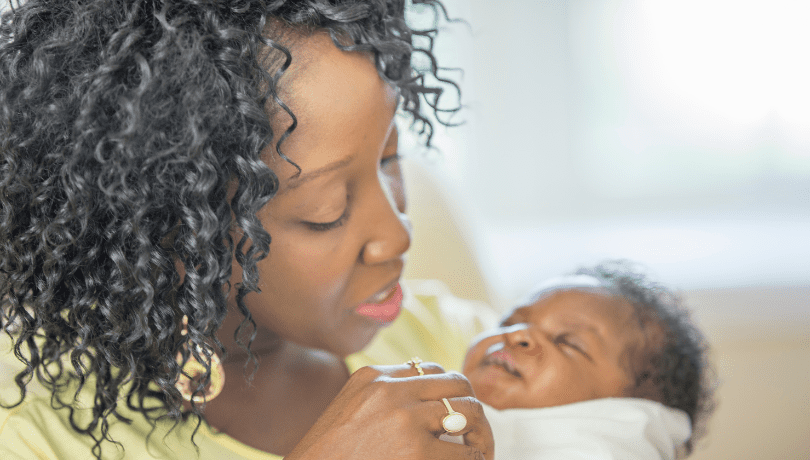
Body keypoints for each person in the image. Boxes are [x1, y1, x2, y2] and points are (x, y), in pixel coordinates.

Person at [0, 1, 496, 459]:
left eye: (389, 157)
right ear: (181, 230)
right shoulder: (31, 437)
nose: (398, 235)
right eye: (327, 211)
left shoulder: (473, 353)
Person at [461, 261, 715, 459]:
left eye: (567, 342)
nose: (517, 335)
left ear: (625, 407)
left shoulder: (604, 450)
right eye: (508, 323)